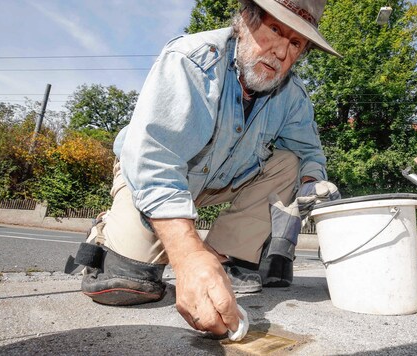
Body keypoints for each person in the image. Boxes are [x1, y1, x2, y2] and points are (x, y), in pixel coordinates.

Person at [69, 0, 341, 337]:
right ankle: (108, 233)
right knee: (129, 285)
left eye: (296, 43)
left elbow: (308, 152)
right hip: (157, 173)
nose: (282, 52)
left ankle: (228, 257)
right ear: (244, 20)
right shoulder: (192, 59)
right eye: (274, 30)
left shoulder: (294, 96)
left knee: (291, 162)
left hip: (226, 180)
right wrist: (187, 256)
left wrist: (312, 181)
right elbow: (156, 160)